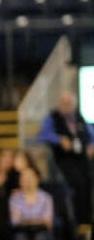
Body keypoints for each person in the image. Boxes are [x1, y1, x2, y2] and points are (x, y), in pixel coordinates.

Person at [38, 90, 94, 226]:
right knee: (76, 183)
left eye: (69, 103)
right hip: (62, 160)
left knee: (88, 181)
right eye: (64, 103)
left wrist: (92, 145)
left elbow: (91, 134)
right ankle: (76, 221)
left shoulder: (78, 117)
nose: (66, 106)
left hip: (82, 159)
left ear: (74, 105)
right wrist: (59, 139)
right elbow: (42, 135)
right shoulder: (53, 117)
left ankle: (86, 220)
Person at [8, 163, 55, 240]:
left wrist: (25, 221)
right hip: (22, 233)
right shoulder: (14, 198)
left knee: (41, 239)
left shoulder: (46, 198)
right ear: (20, 181)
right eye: (25, 177)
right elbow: (15, 221)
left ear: (37, 179)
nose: (28, 180)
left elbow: (48, 222)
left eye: (31, 177)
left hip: (42, 233)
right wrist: (37, 220)